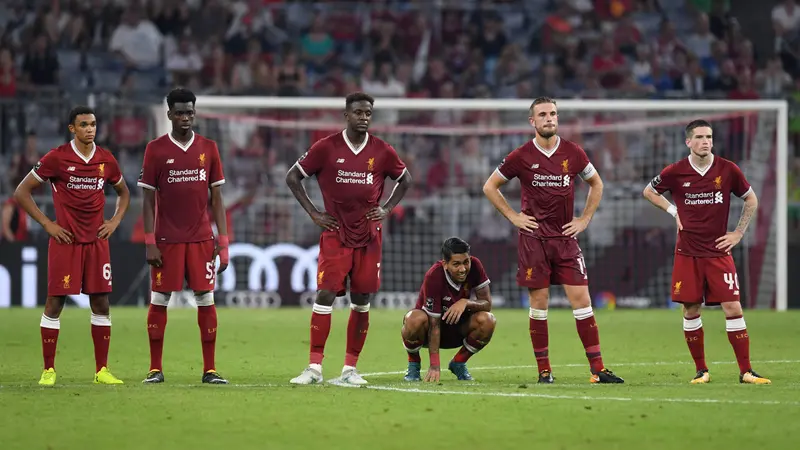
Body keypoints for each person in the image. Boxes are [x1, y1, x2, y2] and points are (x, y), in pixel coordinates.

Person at [482, 96, 624, 384]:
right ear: (532, 121)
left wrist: (584, 219)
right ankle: (544, 371)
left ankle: (597, 369)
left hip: (565, 239)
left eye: (553, 114)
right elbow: (490, 186)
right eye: (543, 114)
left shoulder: (573, 153)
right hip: (533, 240)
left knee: (582, 301)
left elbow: (596, 183)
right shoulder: (521, 155)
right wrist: (513, 217)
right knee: (539, 303)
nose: (549, 118)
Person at [286, 91, 412, 386]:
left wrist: (388, 208)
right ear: (346, 115)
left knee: (362, 298)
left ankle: (350, 369)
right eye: (358, 112)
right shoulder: (326, 147)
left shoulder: (382, 150)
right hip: (336, 232)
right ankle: (314, 367)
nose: (364, 117)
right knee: (326, 293)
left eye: (368, 113)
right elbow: (293, 176)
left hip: (369, 234)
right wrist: (314, 213)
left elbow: (405, 179)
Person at [643, 119, 770, 385]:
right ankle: (702, 370)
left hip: (718, 252)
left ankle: (746, 371)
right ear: (688, 142)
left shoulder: (727, 169)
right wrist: (673, 210)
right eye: (700, 137)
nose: (705, 142)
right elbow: (649, 191)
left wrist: (738, 233)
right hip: (687, 252)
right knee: (691, 309)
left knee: (733, 307)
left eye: (709, 137)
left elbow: (751, 198)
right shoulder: (676, 171)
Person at [14, 106, 130, 386]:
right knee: (55, 303)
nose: (90, 129)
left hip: (97, 243)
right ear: (72, 129)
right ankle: (49, 370)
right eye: (84, 125)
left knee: (101, 303)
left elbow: (124, 193)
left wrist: (114, 222)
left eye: (93, 124)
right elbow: (21, 192)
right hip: (65, 241)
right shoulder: (57, 158)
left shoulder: (106, 159)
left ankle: (102, 370)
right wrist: (47, 224)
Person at [138, 88, 230, 385]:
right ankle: (155, 368)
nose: (186, 118)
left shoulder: (209, 148)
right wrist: (149, 241)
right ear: (169, 115)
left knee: (205, 298)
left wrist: (223, 241)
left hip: (202, 239)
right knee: (160, 297)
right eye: (180, 113)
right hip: (167, 240)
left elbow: (217, 198)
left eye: (190, 112)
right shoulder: (155, 149)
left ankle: (211, 369)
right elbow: (148, 200)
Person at [401, 237, 496, 382]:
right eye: (456, 264)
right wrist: (434, 365)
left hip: (459, 330)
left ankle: (458, 363)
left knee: (488, 320)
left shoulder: (476, 266)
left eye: (466, 262)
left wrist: (466, 302)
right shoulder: (434, 276)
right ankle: (414, 364)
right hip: (428, 333)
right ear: (445, 264)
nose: (463, 269)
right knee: (413, 319)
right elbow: (434, 324)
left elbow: (487, 304)